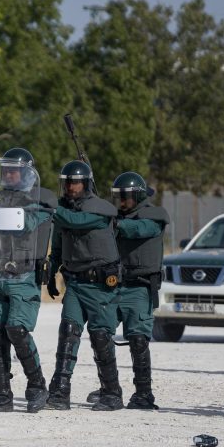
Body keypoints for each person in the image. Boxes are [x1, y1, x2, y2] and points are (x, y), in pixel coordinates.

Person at [0, 148, 57, 413]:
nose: (8, 174)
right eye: (5, 170)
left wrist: (6, 214)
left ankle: (37, 387)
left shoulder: (40, 200)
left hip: (23, 275)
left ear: (24, 173)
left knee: (17, 330)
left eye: (14, 170)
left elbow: (29, 222)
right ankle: (2, 395)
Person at [44, 160, 124, 411]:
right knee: (68, 332)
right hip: (75, 283)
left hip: (100, 284)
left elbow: (75, 222)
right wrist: (51, 273)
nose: (70, 187)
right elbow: (58, 244)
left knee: (101, 337)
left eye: (75, 182)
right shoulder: (64, 211)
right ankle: (59, 393)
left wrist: (48, 207)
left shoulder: (102, 210)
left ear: (86, 183)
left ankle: (112, 393)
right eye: (67, 182)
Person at [86, 172, 169, 409]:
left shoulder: (154, 216)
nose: (121, 202)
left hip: (139, 287)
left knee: (138, 338)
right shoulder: (113, 218)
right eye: (118, 197)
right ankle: (109, 388)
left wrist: (113, 223)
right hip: (112, 286)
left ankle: (143, 393)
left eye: (126, 198)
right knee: (100, 333)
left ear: (139, 196)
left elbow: (137, 229)